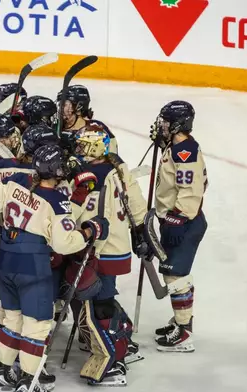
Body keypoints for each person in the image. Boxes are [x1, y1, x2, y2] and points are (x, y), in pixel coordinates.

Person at [0, 145, 109, 392]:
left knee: (12, 321)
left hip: (5, 262)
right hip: (33, 267)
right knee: (36, 326)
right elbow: (63, 243)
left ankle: (2, 373)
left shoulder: (16, 181)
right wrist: (90, 231)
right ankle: (29, 379)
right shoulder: (57, 201)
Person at [68, 121, 147, 386]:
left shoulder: (91, 176)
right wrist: (141, 231)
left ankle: (115, 359)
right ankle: (117, 339)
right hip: (118, 246)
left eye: (82, 144)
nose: (78, 148)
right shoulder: (118, 166)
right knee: (101, 297)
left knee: (99, 301)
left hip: (100, 249)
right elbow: (137, 204)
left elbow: (83, 215)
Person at [151, 101, 208, 353]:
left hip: (184, 222)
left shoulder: (184, 152)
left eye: (165, 122)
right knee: (173, 273)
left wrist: (178, 218)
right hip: (176, 220)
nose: (161, 125)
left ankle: (184, 333)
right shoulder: (176, 147)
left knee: (176, 275)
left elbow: (191, 190)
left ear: (178, 124)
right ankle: (180, 322)